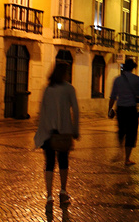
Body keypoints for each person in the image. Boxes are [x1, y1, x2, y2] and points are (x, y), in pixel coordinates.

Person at [34, 63, 79, 209]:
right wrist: (75, 129)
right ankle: (63, 191)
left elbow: (42, 111)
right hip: (64, 132)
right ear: (64, 73)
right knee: (63, 162)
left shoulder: (48, 89)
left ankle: (48, 196)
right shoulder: (69, 89)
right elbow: (76, 111)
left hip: (48, 132)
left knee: (49, 164)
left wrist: (42, 129)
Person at [108, 58, 139, 166]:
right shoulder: (137, 79)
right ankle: (127, 158)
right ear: (133, 68)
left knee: (121, 130)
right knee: (131, 133)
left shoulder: (117, 79)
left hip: (121, 109)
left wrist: (109, 109)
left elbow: (113, 96)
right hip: (131, 108)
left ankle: (120, 149)